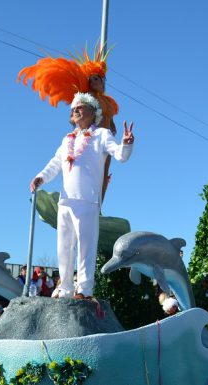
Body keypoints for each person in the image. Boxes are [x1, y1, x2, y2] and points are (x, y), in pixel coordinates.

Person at [29, 92, 135, 299]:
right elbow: (55, 163)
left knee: (86, 247)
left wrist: (127, 144)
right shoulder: (67, 139)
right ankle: (66, 287)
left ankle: (84, 290)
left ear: (93, 112)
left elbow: (121, 155)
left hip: (87, 200)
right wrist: (40, 177)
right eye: (74, 108)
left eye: (81, 106)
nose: (76, 109)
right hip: (66, 201)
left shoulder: (102, 134)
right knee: (64, 247)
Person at [18, 43, 121, 203]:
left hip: (104, 143)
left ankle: (98, 207)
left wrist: (113, 129)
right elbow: (77, 113)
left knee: (103, 174)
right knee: (82, 174)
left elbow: (111, 119)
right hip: (90, 141)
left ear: (103, 82)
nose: (94, 82)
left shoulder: (108, 102)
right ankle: (78, 202)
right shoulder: (87, 98)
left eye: (97, 79)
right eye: (91, 79)